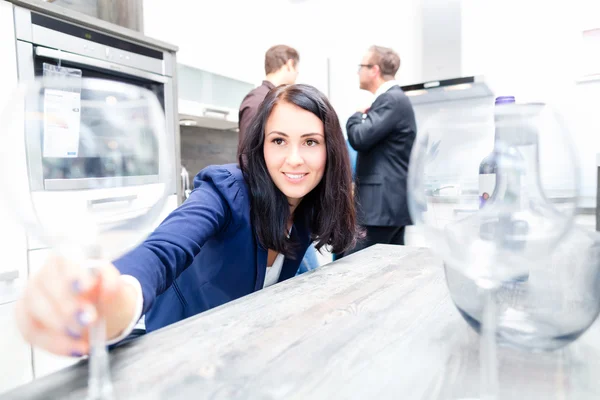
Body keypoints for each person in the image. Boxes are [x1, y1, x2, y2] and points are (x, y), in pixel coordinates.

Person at [15, 84, 358, 357]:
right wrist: (113, 297)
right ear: (261, 146)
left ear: (330, 151)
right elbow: (164, 250)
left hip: (237, 354)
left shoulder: (305, 204)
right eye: (279, 140)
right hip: (177, 352)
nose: (294, 159)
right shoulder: (225, 190)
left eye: (310, 142)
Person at [238, 44, 319, 274]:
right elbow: (249, 159)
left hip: (285, 213)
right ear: (290, 64)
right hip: (272, 213)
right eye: (279, 141)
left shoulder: (270, 100)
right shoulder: (260, 102)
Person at [345, 45, 416, 255]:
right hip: (387, 206)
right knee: (388, 270)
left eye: (361, 66)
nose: (358, 72)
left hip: (380, 207)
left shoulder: (391, 99)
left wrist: (356, 116)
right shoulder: (394, 100)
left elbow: (359, 137)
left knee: (354, 266)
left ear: (374, 70)